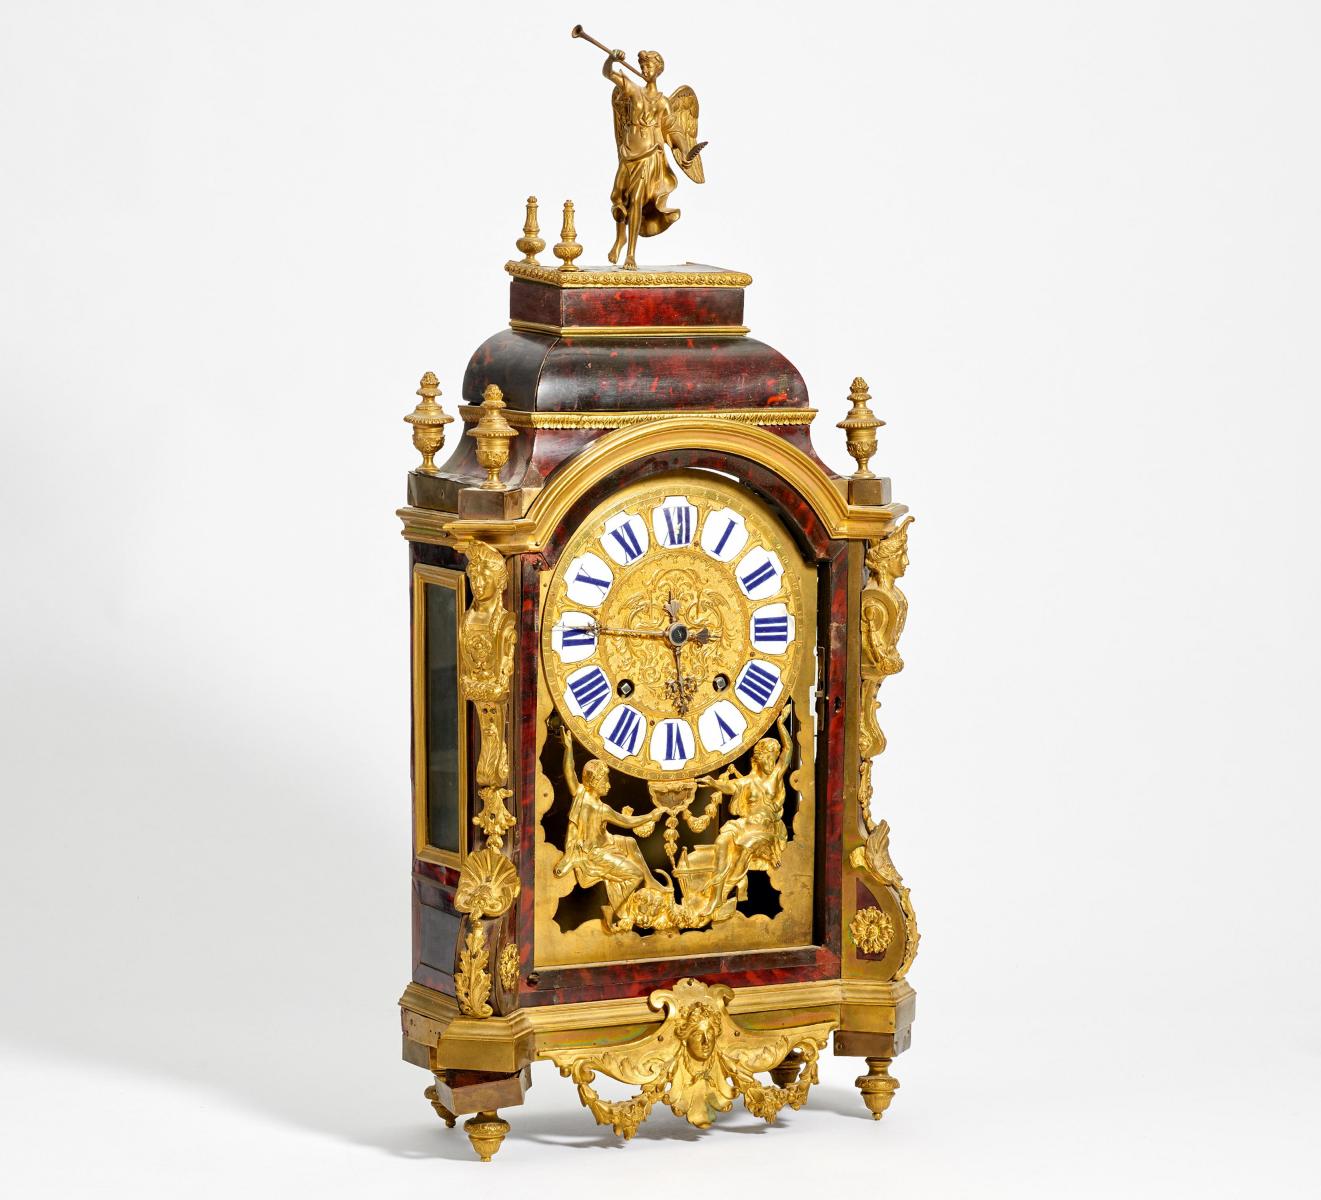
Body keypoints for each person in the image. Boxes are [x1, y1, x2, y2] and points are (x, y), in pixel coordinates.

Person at [553, 726, 666, 929]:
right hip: (594, 853)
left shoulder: (580, 793)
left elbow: (569, 773)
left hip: (604, 842)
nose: (609, 785)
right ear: (595, 782)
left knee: (630, 842)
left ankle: (650, 881)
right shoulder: (600, 807)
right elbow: (627, 822)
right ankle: (617, 911)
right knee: (635, 874)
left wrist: (568, 749)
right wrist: (651, 816)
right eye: (605, 780)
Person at [695, 708, 794, 915]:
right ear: (758, 759)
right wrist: (713, 783)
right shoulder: (747, 781)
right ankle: (715, 896)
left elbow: (788, 749)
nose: (772, 762)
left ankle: (726, 891)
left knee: (745, 847)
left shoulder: (775, 777)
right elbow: (730, 786)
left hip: (766, 831)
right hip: (745, 826)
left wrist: (780, 724)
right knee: (722, 841)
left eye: (774, 757)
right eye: (769, 757)